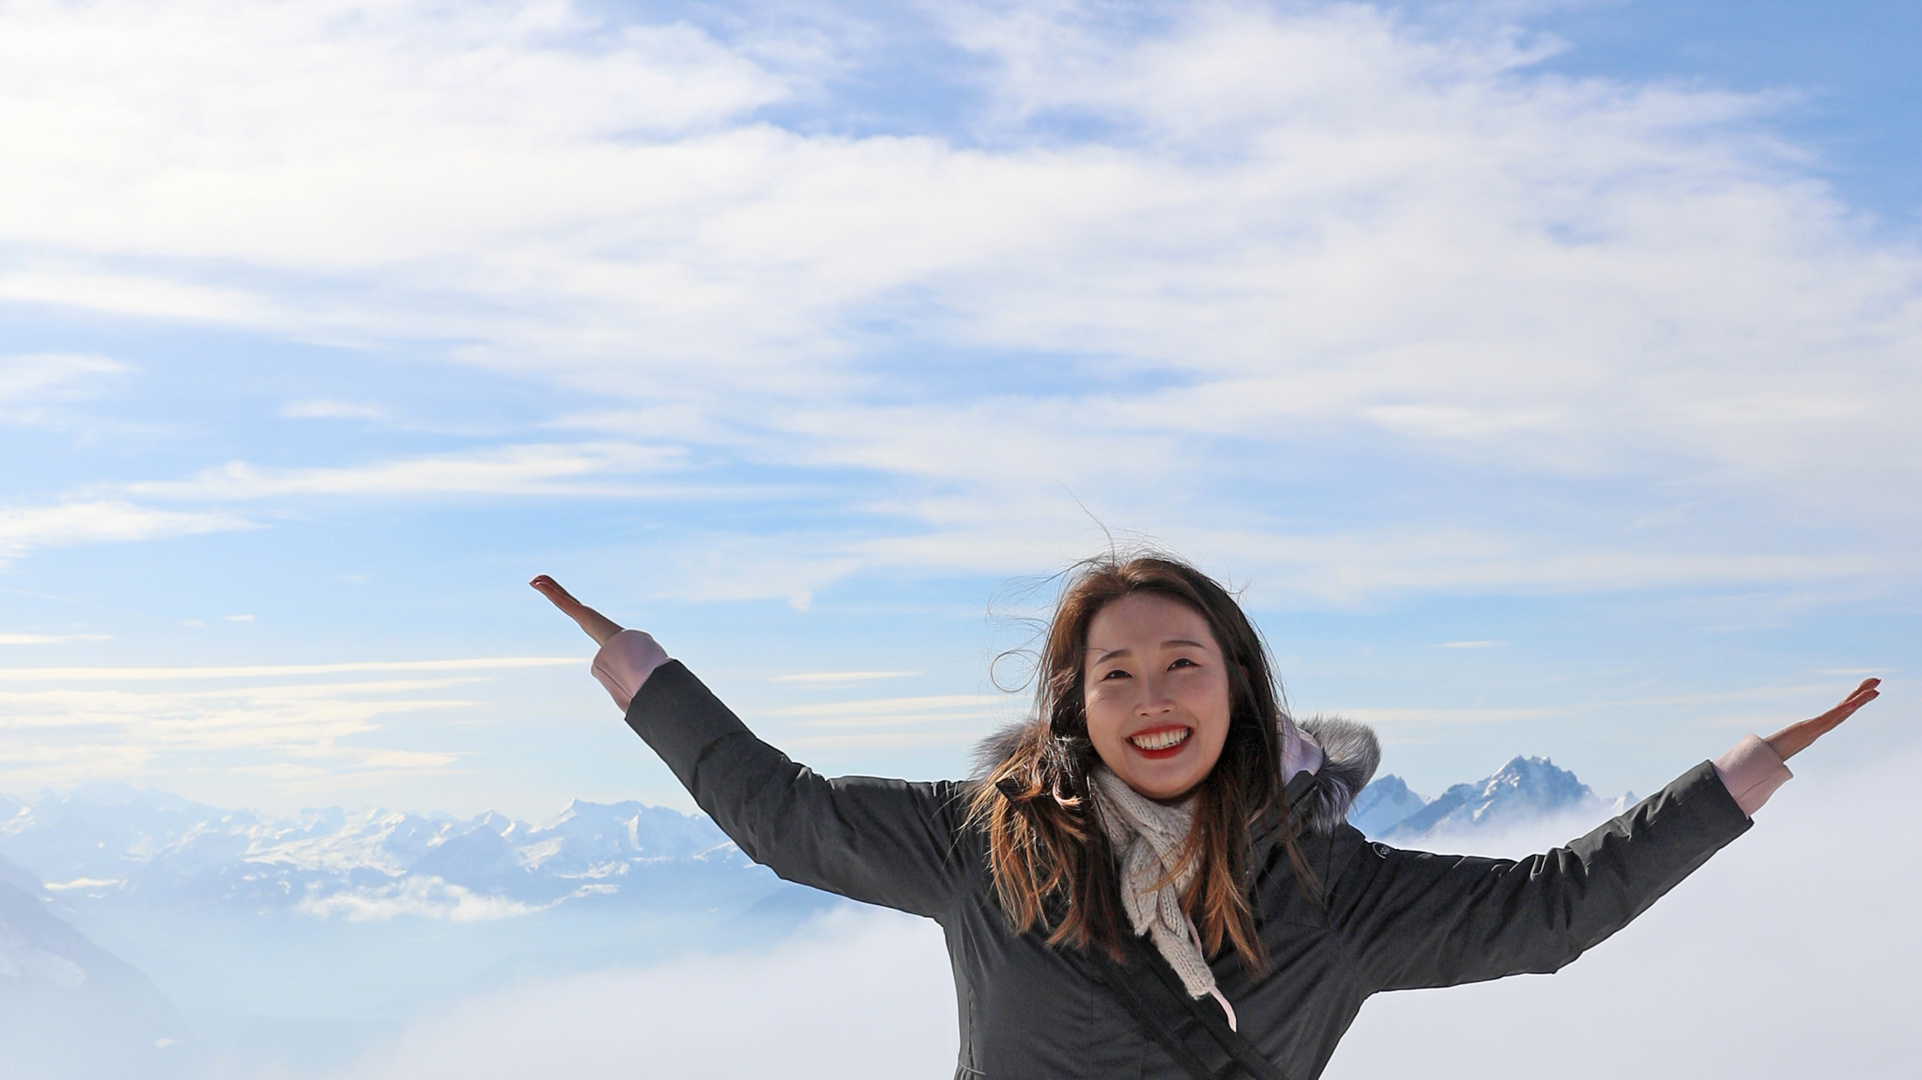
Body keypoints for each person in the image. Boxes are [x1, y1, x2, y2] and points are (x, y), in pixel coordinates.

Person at [530, 555, 1878, 1080]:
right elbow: (783, 815)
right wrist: (637, 667)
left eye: (1183, 661)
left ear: (1236, 683)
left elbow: (1548, 912)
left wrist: (1748, 769)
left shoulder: (1331, 888)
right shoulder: (981, 841)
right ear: (1076, 699)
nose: (1152, 695)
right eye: (1116, 671)